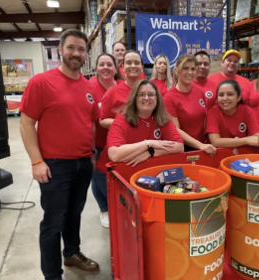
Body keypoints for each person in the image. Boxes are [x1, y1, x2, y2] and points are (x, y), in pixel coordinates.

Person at [19, 29, 99, 280]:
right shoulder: (41, 82)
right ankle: (52, 275)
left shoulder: (88, 86)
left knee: (74, 213)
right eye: (71, 48)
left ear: (86, 54)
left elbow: (91, 122)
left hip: (83, 162)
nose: (76, 53)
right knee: (54, 221)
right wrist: (37, 161)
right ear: (61, 50)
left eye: (81, 49)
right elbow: (26, 123)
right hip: (55, 165)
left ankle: (72, 253)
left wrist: (92, 156)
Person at [96, 80, 184, 173]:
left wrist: (151, 152)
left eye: (151, 94)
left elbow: (179, 146)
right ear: (134, 98)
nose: (146, 98)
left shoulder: (162, 118)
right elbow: (114, 155)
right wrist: (148, 143)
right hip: (110, 173)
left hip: (140, 171)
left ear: (157, 99)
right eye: (141, 94)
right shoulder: (122, 119)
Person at [90, 53, 123, 228]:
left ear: (115, 68)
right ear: (96, 68)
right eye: (101, 64)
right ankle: (104, 209)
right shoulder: (89, 87)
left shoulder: (121, 87)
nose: (105, 68)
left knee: (114, 177)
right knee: (97, 177)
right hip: (96, 141)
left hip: (118, 143)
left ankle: (114, 206)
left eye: (109, 64)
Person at [164, 54, 216, 156]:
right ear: (176, 71)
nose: (190, 72)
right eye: (185, 68)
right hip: (184, 150)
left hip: (203, 146)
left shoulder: (199, 92)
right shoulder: (169, 98)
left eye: (193, 69)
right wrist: (200, 145)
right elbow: (175, 130)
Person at [207, 80, 259, 148]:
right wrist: (246, 140)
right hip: (219, 154)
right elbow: (216, 142)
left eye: (230, 94)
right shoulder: (212, 112)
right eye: (221, 95)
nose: (225, 98)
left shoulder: (246, 110)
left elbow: (258, 139)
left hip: (242, 155)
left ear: (238, 97)